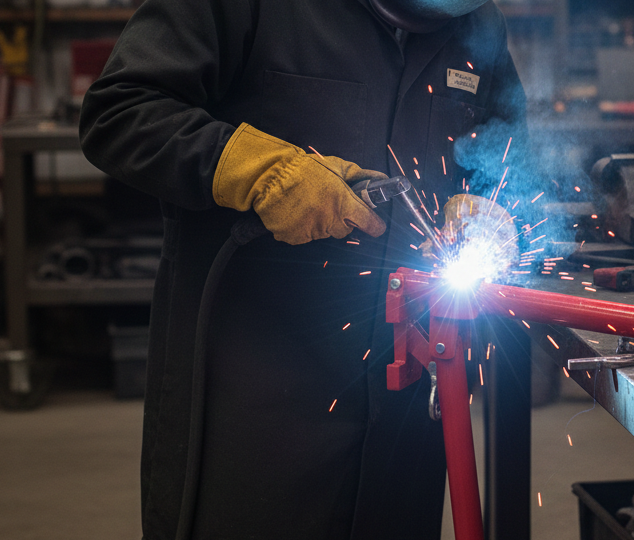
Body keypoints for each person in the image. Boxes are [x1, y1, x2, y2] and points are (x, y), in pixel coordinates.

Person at [78, 0, 529, 538]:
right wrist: (254, 167)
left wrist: (491, 204)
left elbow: (508, 146)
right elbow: (120, 111)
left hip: (410, 386)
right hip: (255, 387)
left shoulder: (474, 19)